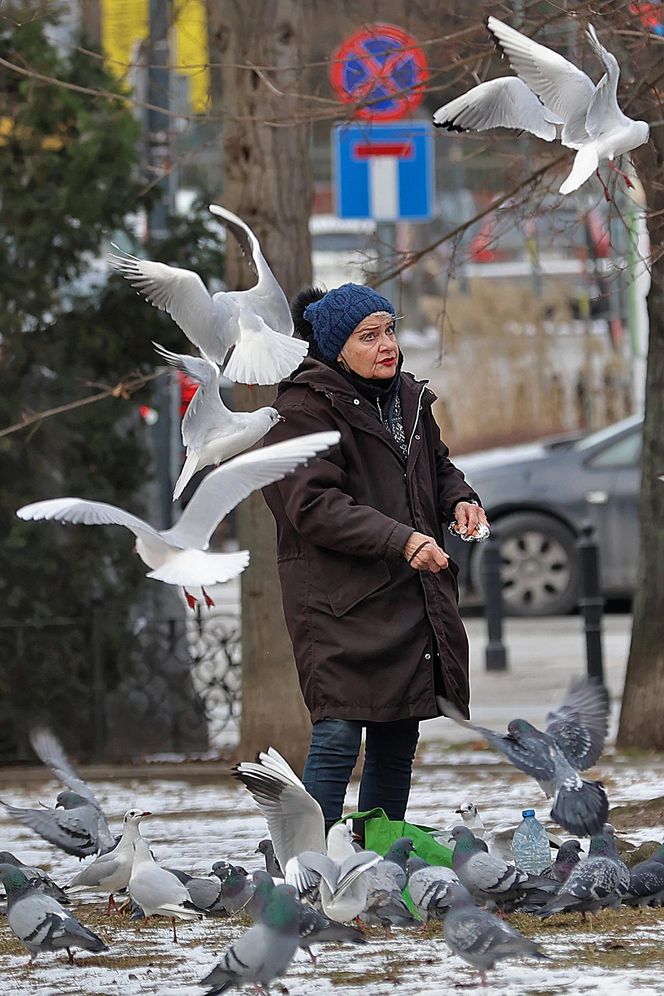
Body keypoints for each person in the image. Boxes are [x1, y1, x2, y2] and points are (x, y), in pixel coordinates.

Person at [262, 283, 488, 832]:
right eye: (369, 336)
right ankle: (309, 865)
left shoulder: (409, 398)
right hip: (336, 602)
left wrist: (459, 499)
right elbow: (312, 504)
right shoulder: (300, 409)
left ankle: (380, 861)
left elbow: (435, 467)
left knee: (397, 732)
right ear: (337, 346)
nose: (387, 345)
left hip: (406, 596)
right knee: (339, 732)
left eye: (389, 329)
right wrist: (402, 540)